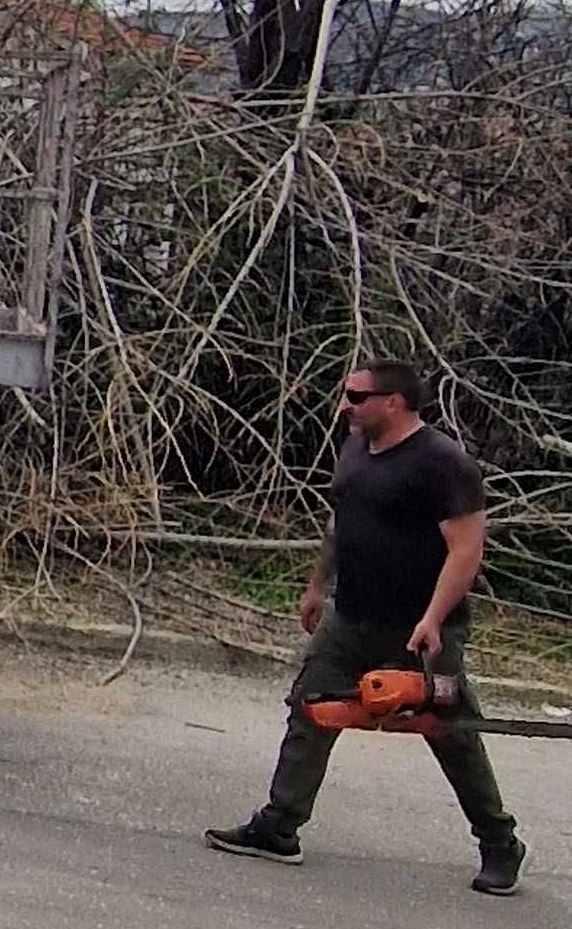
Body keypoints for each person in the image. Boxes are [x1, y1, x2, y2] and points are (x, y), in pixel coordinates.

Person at [209, 360, 523, 891]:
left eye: (356, 396)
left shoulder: (443, 464)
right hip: (349, 616)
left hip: (421, 628)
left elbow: (465, 551)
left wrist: (433, 619)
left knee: (449, 729)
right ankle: (280, 826)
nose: (345, 405)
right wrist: (316, 587)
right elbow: (340, 522)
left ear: (394, 401)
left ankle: (499, 843)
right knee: (310, 709)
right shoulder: (355, 447)